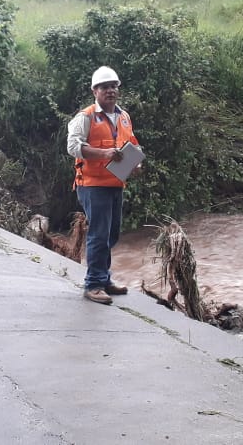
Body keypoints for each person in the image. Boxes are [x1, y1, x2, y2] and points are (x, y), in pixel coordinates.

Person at [66, 66, 141, 305]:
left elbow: (132, 144)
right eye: (104, 87)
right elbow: (73, 146)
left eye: (113, 86)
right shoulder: (86, 117)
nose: (110, 91)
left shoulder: (124, 116)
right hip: (92, 184)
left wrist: (135, 163)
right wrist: (104, 153)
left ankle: (103, 278)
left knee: (112, 233)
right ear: (94, 91)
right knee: (99, 234)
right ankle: (94, 284)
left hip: (116, 182)